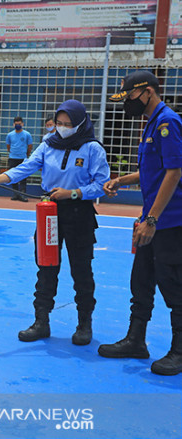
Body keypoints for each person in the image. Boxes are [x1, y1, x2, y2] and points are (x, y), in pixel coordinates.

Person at [0, 100, 110, 346]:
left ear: (80, 123)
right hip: (49, 213)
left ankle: (84, 323)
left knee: (81, 270)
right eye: (59, 123)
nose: (62, 128)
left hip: (79, 213)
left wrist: (73, 193)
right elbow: (27, 167)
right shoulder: (48, 144)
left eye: (68, 124)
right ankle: (41, 321)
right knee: (46, 266)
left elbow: (101, 185)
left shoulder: (93, 149)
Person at [98, 71, 182, 376]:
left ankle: (179, 351)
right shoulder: (151, 122)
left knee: (174, 286)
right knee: (142, 280)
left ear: (148, 91)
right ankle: (136, 340)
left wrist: (152, 218)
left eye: (130, 97)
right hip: (153, 218)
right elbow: (153, 172)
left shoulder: (166, 122)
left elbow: (174, 172)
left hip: (170, 222)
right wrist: (122, 179)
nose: (127, 104)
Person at [6, 115, 33, 202]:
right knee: (13, 176)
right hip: (12, 158)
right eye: (16, 124)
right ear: (13, 125)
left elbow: (30, 146)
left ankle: (23, 194)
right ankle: (15, 194)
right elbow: (8, 146)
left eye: (20, 123)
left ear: (23, 124)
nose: (18, 125)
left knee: (23, 177)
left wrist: (26, 155)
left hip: (23, 158)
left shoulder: (27, 134)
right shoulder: (10, 135)